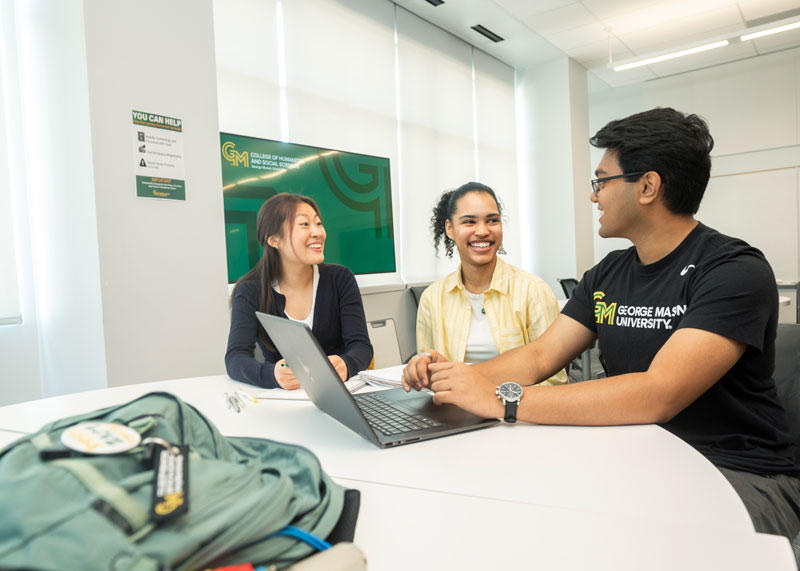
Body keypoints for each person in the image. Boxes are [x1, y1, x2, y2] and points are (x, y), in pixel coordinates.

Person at [402, 108, 800, 540]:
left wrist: (506, 401)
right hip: (637, 455)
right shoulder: (608, 273)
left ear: (647, 186)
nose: (594, 197)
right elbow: (539, 356)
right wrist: (453, 380)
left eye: (601, 181)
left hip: (736, 470)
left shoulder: (732, 270)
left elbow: (658, 393)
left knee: (640, 542)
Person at [413, 182, 566, 385]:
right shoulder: (432, 298)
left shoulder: (532, 291)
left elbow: (554, 382)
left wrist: (496, 404)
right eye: (469, 222)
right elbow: (430, 375)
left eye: (492, 220)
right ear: (450, 228)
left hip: (518, 412)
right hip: (454, 411)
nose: (483, 231)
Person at [225, 193, 372, 389]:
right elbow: (235, 358)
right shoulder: (251, 290)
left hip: (342, 393)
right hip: (284, 401)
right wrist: (272, 375)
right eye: (304, 224)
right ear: (274, 240)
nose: (318, 232)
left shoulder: (340, 279)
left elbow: (361, 347)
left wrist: (346, 364)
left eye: (318, 224)